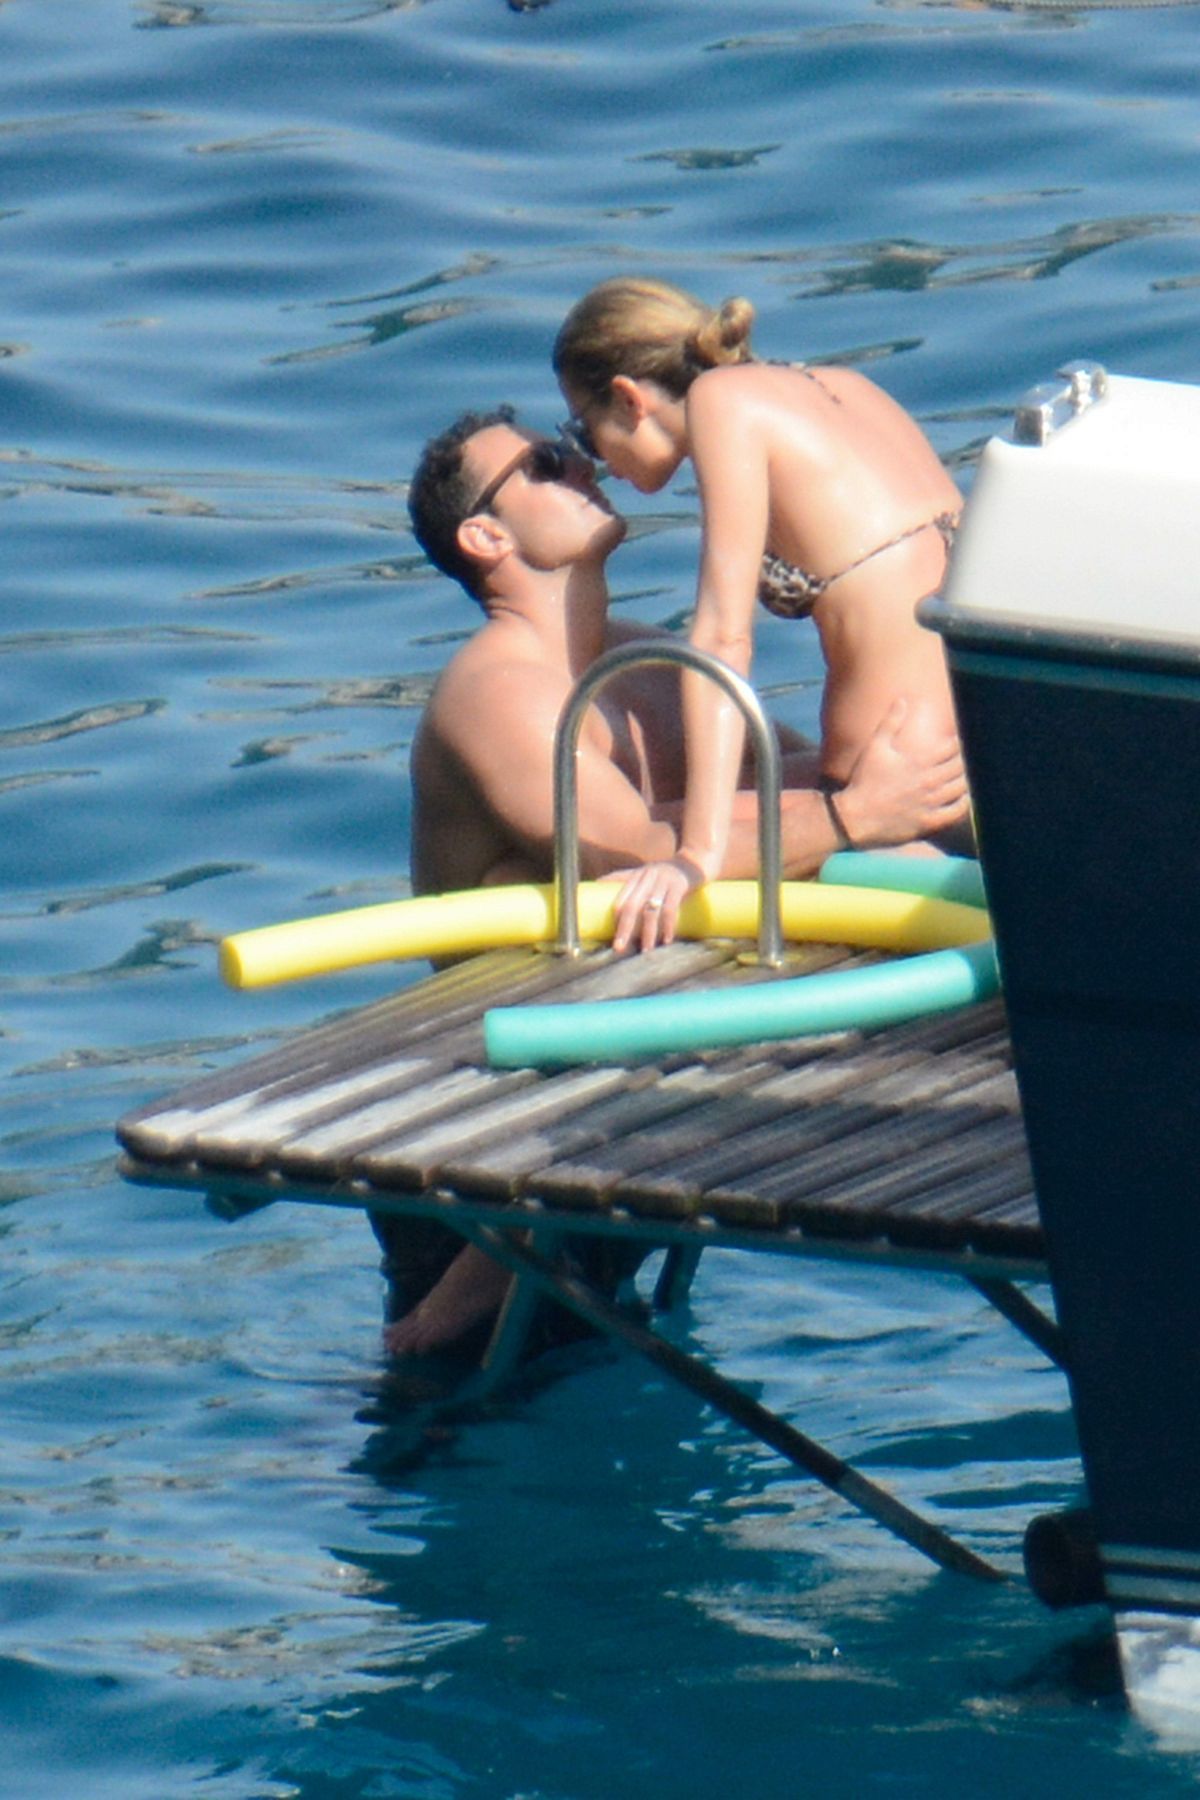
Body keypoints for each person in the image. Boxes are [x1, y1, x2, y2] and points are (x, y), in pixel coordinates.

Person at [378, 404, 967, 1358]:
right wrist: (857, 815)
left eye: (572, 449)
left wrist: (889, 772)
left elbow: (789, 782)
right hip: (501, 1145)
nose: (583, 466)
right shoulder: (499, 696)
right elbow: (645, 854)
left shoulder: (634, 660)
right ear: (485, 537)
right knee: (442, 1403)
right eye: (546, 463)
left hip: (627, 1096)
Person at [553, 276, 971, 953]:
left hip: (897, 796)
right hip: (974, 761)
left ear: (628, 397)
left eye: (584, 431)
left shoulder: (723, 403)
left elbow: (722, 638)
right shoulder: (837, 387)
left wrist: (697, 857)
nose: (596, 464)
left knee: (631, 852)